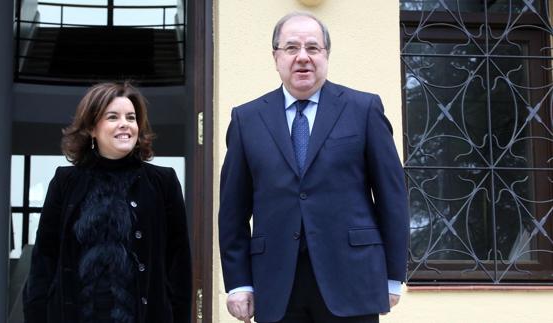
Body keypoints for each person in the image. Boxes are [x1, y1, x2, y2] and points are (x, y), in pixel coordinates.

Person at [219, 12, 409, 323]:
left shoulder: (364, 109)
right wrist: (239, 282)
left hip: (353, 279)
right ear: (276, 57)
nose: (303, 57)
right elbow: (232, 211)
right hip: (277, 283)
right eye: (291, 48)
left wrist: (391, 276)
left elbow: (392, 198)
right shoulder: (246, 119)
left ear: (326, 55)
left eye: (313, 48)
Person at [23, 82, 192, 323]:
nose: (125, 124)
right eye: (113, 117)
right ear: (92, 127)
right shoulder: (65, 182)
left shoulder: (163, 182)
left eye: (131, 118)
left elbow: (179, 265)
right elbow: (44, 259)